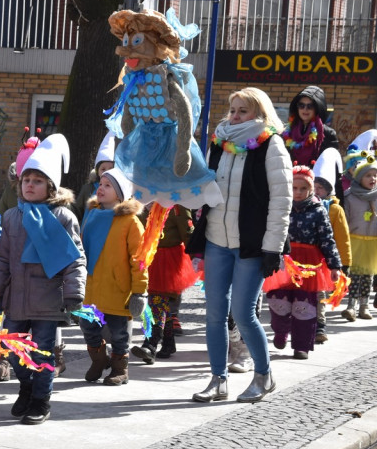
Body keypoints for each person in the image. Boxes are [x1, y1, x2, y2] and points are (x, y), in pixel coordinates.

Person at [187, 88, 292, 404]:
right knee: (215, 313)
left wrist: (272, 247)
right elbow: (206, 189)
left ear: (260, 114)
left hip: (252, 245)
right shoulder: (219, 142)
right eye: (232, 110)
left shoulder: (271, 146)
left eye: (242, 111)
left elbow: (281, 202)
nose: (234, 116)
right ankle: (218, 379)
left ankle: (264, 374)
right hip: (217, 239)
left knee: (243, 313)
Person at [0, 134, 86, 425]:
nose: (29, 185)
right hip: (17, 297)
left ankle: (41, 399)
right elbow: (3, 259)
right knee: (14, 349)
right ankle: (27, 387)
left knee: (43, 353)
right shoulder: (11, 217)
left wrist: (74, 294)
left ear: (51, 187)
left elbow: (75, 257)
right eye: (26, 180)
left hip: (47, 298)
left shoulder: (63, 217)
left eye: (38, 181)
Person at [262, 166, 341, 360]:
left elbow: (327, 239)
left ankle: (302, 345)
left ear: (311, 189)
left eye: (303, 189)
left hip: (308, 265)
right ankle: (281, 331)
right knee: (278, 299)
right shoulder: (280, 207)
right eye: (294, 188)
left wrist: (334, 265)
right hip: (283, 262)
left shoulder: (318, 210)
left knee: (305, 304)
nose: (297, 192)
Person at [79, 167, 146, 385]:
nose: (101, 188)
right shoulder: (92, 215)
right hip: (91, 287)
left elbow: (139, 259)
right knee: (88, 327)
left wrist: (139, 292)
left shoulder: (131, 222)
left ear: (120, 193)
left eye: (108, 185)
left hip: (117, 289)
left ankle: (120, 368)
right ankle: (99, 360)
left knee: (119, 333)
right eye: (100, 183)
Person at [130, 204, 196, 364]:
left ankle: (150, 344)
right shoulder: (141, 204)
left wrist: (197, 259)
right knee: (159, 303)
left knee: (157, 303)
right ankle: (168, 342)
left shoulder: (176, 207)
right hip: (150, 259)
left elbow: (188, 234)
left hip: (169, 260)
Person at [312, 147, 351, 342]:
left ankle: (320, 326)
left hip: (324, 260)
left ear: (329, 190)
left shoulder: (335, 209)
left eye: (321, 187)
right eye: (315, 186)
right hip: (304, 259)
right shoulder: (303, 206)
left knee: (320, 293)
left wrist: (343, 263)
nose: (317, 191)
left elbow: (342, 238)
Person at [341, 134, 377, 321]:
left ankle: (365, 305)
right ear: (360, 177)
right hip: (354, 240)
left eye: (375, 175)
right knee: (354, 275)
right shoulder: (350, 196)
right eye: (368, 175)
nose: (372, 179)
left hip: (372, 241)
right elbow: (345, 219)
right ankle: (351, 305)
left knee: (368, 275)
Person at [283, 86, 339, 168]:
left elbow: (332, 164)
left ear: (317, 109)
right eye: (301, 105)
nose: (305, 109)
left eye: (310, 106)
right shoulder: (287, 131)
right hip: (290, 178)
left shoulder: (328, 133)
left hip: (315, 179)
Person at [73, 132, 116, 224]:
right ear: (97, 172)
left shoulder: (118, 191)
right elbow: (77, 211)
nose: (106, 172)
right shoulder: (88, 189)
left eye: (110, 169)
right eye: (103, 169)